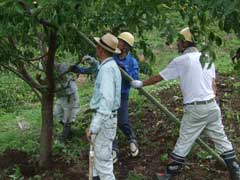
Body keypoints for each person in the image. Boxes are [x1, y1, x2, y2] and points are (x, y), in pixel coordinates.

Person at [131, 27, 240, 180]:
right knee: (221, 140)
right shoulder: (207, 57)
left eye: (179, 42)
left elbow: (159, 77)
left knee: (184, 141)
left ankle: (168, 175)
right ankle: (236, 172)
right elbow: (213, 84)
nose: (177, 44)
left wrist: (142, 83)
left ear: (184, 43)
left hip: (195, 109)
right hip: (212, 106)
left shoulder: (181, 60)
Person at [86, 33, 122, 180]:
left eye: (98, 45)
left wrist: (94, 126)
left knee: (103, 165)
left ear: (101, 49)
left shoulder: (107, 69)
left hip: (104, 120)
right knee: (96, 163)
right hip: (105, 119)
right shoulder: (109, 66)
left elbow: (106, 101)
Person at [53, 56, 99, 141]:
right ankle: (69, 131)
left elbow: (79, 70)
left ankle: (64, 139)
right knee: (57, 113)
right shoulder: (48, 69)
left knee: (68, 118)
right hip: (60, 95)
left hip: (69, 94)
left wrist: (76, 69)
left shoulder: (62, 67)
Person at [112, 32, 140, 163]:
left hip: (122, 95)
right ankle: (113, 148)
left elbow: (135, 80)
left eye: (121, 41)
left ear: (126, 46)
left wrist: (125, 71)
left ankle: (132, 139)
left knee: (122, 121)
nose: (118, 43)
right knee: (109, 122)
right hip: (110, 95)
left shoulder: (132, 61)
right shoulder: (112, 57)